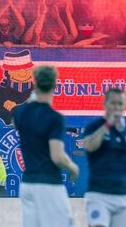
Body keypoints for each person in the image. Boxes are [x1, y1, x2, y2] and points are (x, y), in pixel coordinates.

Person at [15, 65, 78, 227]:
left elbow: (19, 120)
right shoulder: (54, 118)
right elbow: (57, 156)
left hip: (28, 184)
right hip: (48, 183)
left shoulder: (20, 113)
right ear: (55, 85)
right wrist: (72, 167)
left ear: (34, 83)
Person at [83, 88, 126, 227]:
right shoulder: (94, 127)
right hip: (98, 195)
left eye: (120, 104)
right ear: (105, 104)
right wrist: (107, 125)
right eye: (113, 103)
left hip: (123, 196)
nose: (117, 107)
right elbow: (90, 146)